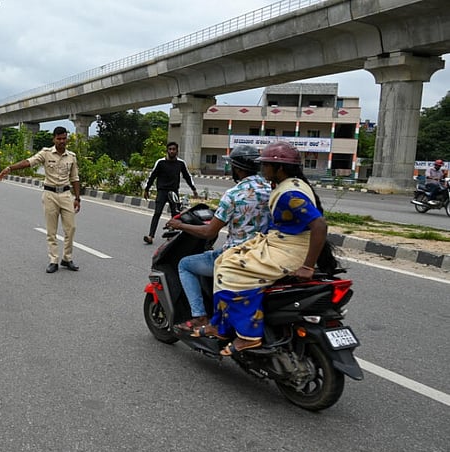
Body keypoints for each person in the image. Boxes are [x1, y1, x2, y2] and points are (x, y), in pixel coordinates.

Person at [210, 140, 339, 355]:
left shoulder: (290, 194)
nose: (263, 169)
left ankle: (248, 335)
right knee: (225, 257)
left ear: (279, 168)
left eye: (267, 165)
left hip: (287, 251)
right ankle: (222, 325)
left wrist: (307, 266)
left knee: (227, 270)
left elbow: (319, 225)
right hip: (279, 243)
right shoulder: (290, 185)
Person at [166, 145, 271, 337]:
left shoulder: (234, 194)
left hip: (236, 256)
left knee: (186, 264)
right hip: (265, 255)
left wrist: (179, 225)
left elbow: (209, 231)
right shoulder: (271, 189)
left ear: (238, 169)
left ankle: (199, 317)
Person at [0, 126, 81, 273]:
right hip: (50, 195)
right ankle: (53, 260)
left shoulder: (71, 156)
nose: (62, 141)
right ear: (54, 139)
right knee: (51, 230)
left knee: (71, 228)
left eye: (64, 138)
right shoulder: (46, 153)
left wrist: (78, 198)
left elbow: (74, 178)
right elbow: (28, 162)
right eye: (59, 138)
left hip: (66, 194)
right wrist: (9, 168)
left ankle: (67, 258)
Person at [142, 142, 200, 244]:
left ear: (177, 151)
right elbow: (152, 176)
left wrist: (193, 189)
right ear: (167, 150)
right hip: (162, 191)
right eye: (170, 149)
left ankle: (171, 234)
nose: (172, 151)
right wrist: (146, 189)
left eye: (174, 149)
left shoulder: (181, 163)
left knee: (175, 214)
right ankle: (150, 236)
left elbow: (187, 176)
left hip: (174, 192)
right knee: (157, 213)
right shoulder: (160, 163)